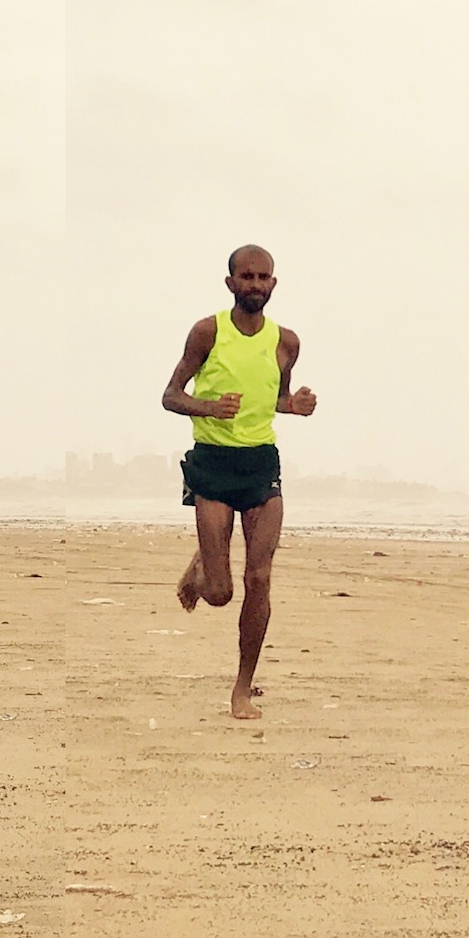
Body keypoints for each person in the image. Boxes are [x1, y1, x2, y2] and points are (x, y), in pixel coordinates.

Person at [162, 245, 316, 719]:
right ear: (230, 283)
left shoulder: (286, 342)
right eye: (246, 277)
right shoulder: (207, 332)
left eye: (263, 277)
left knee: (260, 578)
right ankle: (203, 569)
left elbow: (277, 398)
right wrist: (210, 408)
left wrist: (294, 405)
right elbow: (170, 396)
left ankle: (242, 689)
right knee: (220, 593)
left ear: (273, 284)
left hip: (260, 465)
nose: (255, 284)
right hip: (212, 463)